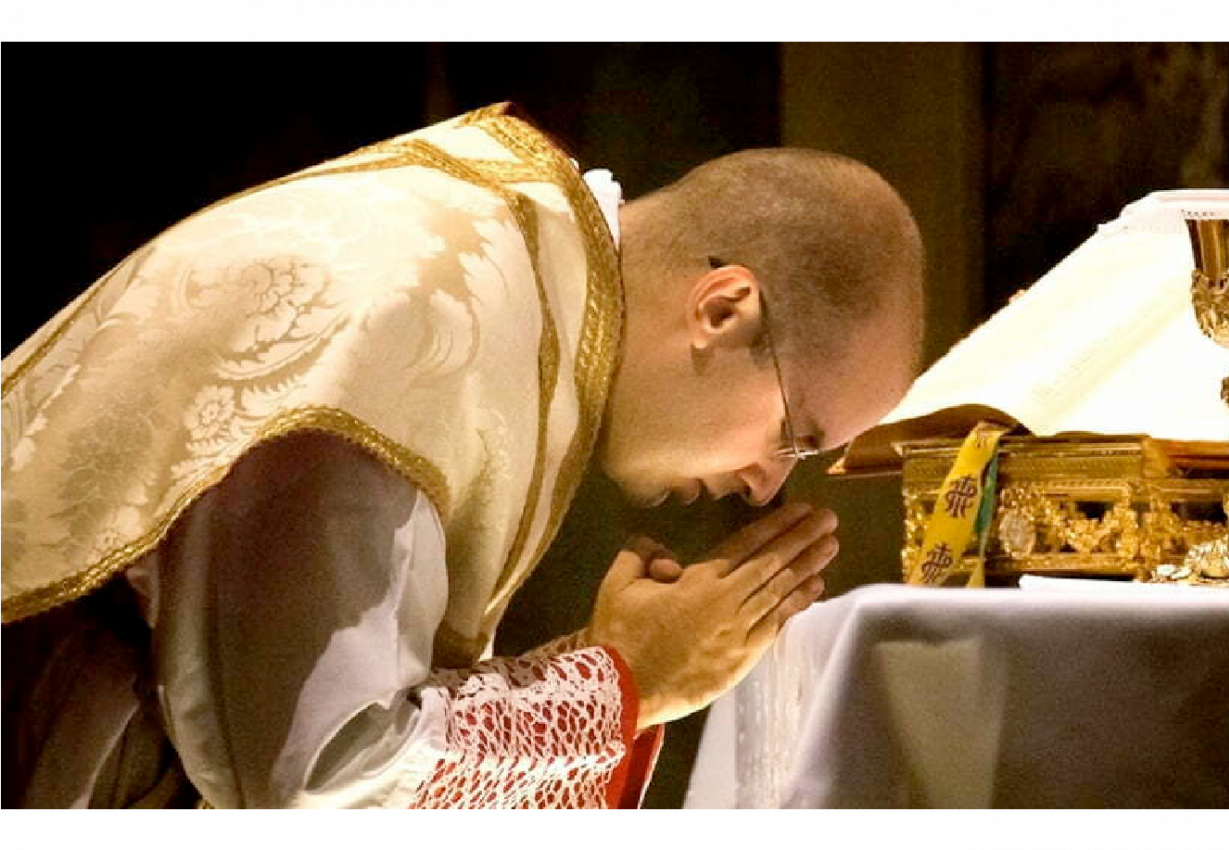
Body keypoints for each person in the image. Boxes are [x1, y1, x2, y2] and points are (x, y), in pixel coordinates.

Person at [0, 103, 925, 809]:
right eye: (794, 436)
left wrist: (615, 669)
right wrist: (623, 686)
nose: (765, 485)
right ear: (722, 310)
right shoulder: (421, 323)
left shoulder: (515, 252)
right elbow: (316, 771)